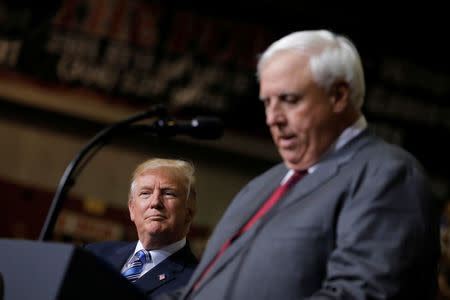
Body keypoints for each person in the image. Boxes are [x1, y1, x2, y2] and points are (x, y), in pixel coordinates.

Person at [155, 30, 440, 299]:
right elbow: (200, 290)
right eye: (268, 102)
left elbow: (360, 294)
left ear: (339, 96)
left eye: (289, 100)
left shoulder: (385, 175)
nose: (272, 118)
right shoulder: (263, 185)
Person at [85, 158, 199, 298]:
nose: (155, 202)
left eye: (168, 193)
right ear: (132, 209)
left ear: (189, 213)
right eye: (145, 193)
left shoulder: (196, 283)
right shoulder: (93, 254)